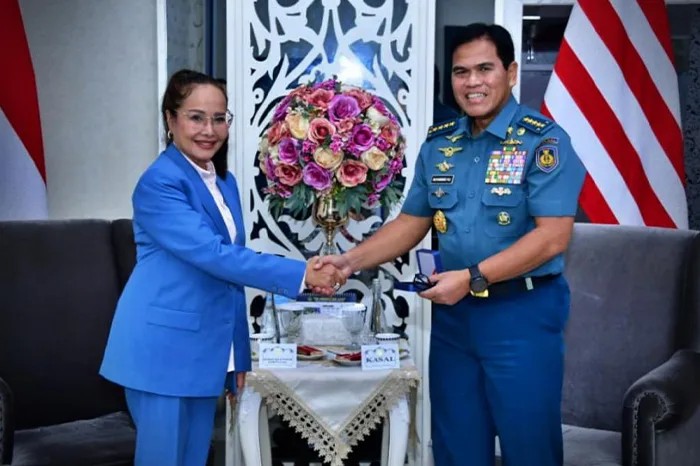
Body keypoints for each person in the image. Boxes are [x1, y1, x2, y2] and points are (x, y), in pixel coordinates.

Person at [316, 23, 585, 466]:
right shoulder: (441, 144)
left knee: (529, 448)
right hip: (454, 319)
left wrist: (474, 277)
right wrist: (347, 262)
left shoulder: (544, 141)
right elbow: (411, 222)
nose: (472, 82)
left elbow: (552, 236)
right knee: (457, 447)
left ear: (511, 72)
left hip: (521, 314)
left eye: (485, 69)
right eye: (461, 72)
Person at [100, 69, 344, 466]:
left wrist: (237, 357)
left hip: (202, 354)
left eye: (219, 118)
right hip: (161, 353)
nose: (209, 130)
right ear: (170, 119)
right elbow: (215, 256)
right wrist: (301, 274)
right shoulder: (160, 183)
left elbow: (228, 280)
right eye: (196, 117)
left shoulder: (222, 181)